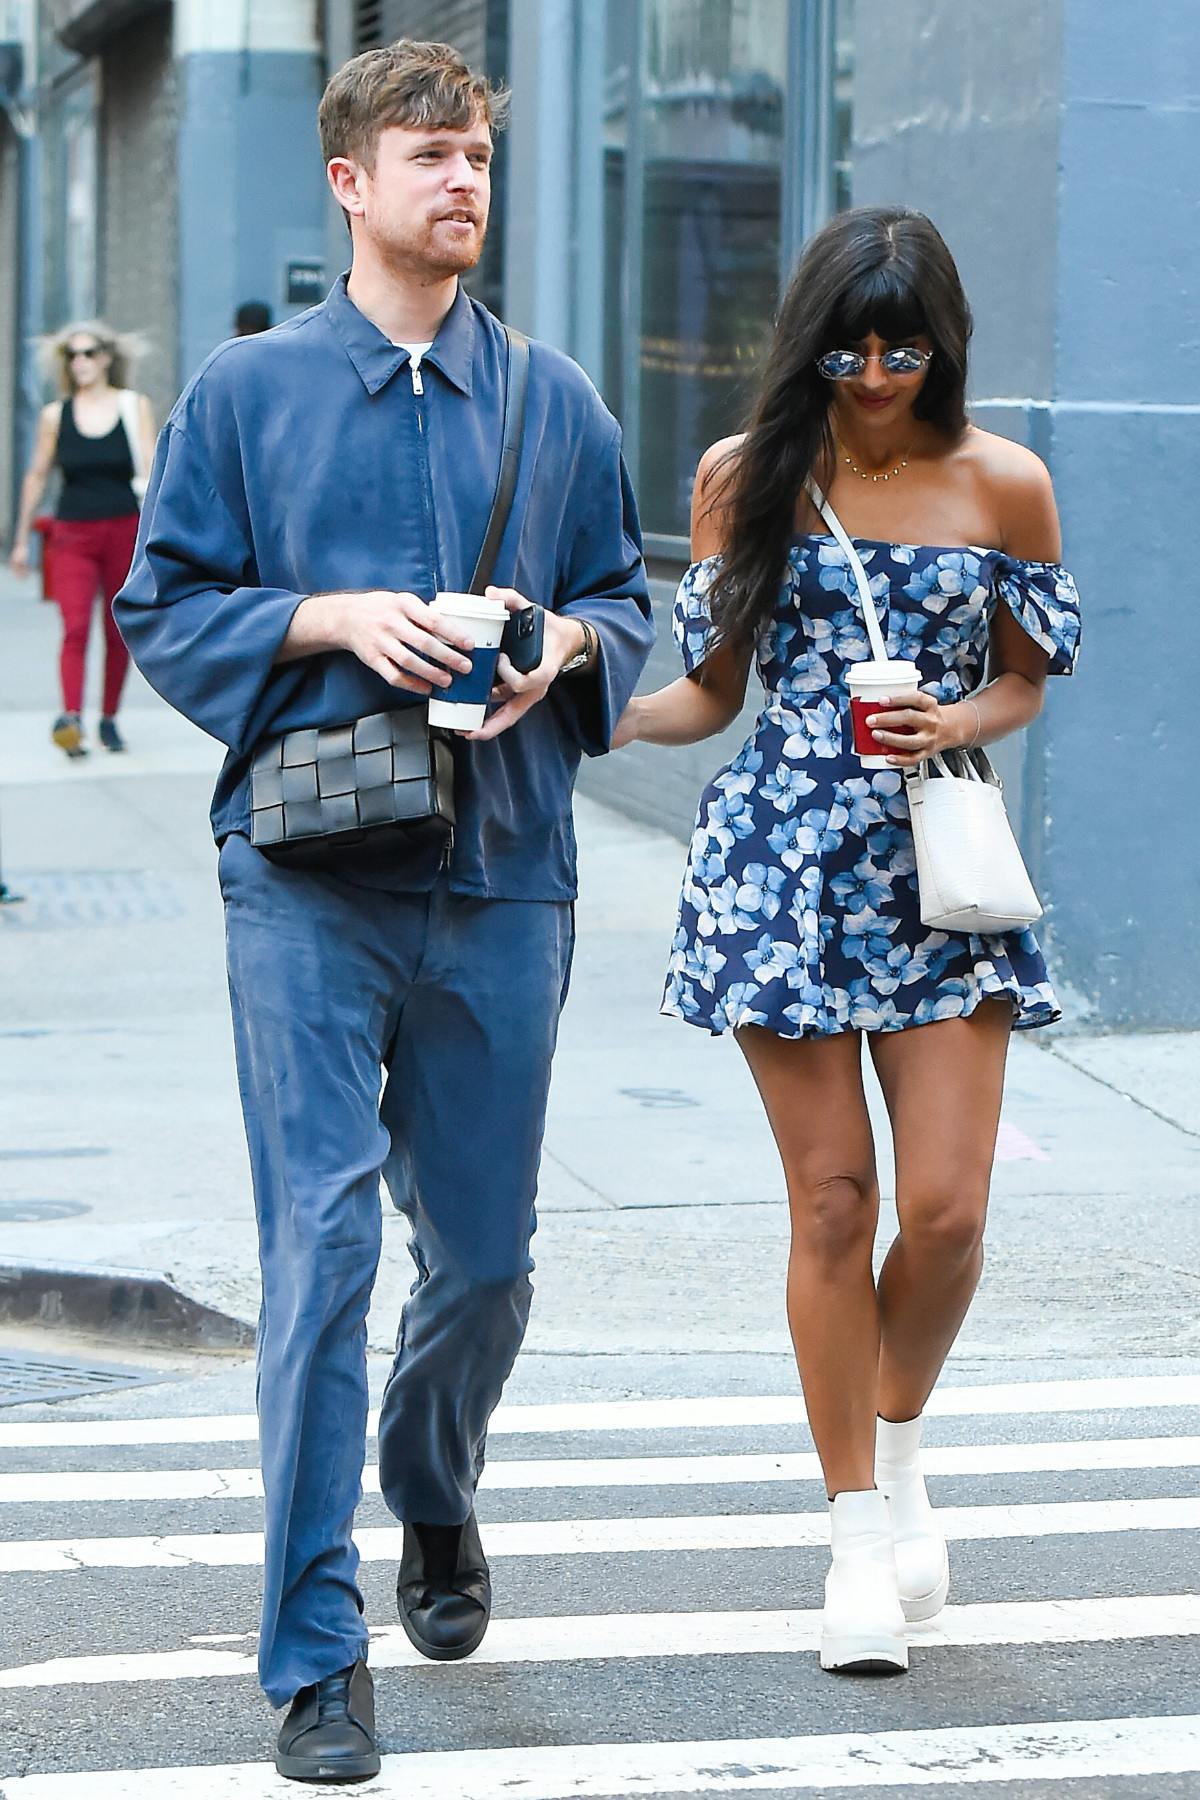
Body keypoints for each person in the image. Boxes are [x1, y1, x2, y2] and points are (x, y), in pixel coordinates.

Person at [114, 36, 652, 1783]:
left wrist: (561, 647)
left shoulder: (557, 401)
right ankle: (314, 1654)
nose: (467, 182)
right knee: (324, 1257)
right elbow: (165, 603)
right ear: (350, 181)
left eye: (481, 154)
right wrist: (336, 622)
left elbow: (628, 611)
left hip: (506, 877)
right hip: (304, 883)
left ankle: (434, 1488)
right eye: (433, 156)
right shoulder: (245, 393)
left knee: (485, 1265)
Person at [615, 206, 1080, 1676]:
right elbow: (709, 694)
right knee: (832, 1202)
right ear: (805, 339)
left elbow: (1024, 682)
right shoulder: (746, 478)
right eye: (845, 346)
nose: (873, 375)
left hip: (938, 862)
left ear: (943, 343)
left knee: (944, 1214)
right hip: (779, 863)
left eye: (904, 347)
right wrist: (590, 709)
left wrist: (962, 719)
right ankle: (855, 1533)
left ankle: (899, 1432)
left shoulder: (1004, 483)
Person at [9, 322, 154, 757]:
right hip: (72, 533)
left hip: (123, 531)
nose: (81, 362)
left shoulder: (133, 406)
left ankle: (108, 719)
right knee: (74, 627)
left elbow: (150, 471)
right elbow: (37, 475)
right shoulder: (56, 415)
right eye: (72, 355)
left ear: (107, 357)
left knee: (117, 630)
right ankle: (71, 718)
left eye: (89, 353)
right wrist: (20, 539)